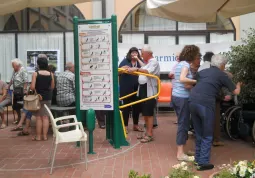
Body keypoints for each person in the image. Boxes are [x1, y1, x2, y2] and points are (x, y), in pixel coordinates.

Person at [189, 54, 241, 171]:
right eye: (225, 65)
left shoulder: (203, 72)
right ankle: (203, 162)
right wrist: (238, 85)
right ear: (222, 65)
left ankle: (197, 158)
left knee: (198, 132)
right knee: (207, 134)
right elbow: (236, 92)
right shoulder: (221, 74)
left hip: (192, 101)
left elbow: (193, 83)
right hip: (206, 104)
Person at [127, 45, 160, 143]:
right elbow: (142, 69)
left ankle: (149, 134)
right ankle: (147, 133)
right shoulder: (148, 62)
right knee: (145, 113)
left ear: (147, 53)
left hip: (149, 91)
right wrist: (129, 69)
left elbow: (146, 71)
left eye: (142, 53)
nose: (141, 55)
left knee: (148, 114)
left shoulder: (154, 62)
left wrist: (136, 69)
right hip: (143, 89)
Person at [171, 45, 199, 161]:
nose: (198, 57)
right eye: (197, 55)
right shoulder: (186, 65)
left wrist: (191, 84)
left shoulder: (179, 64)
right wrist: (197, 81)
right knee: (183, 124)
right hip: (182, 98)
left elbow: (184, 84)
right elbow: (183, 79)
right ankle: (180, 153)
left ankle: (182, 150)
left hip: (176, 96)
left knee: (183, 123)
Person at [119, 47, 144, 133]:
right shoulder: (125, 61)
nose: (134, 54)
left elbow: (146, 68)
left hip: (137, 88)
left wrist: (138, 60)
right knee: (125, 108)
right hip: (126, 88)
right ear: (129, 54)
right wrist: (122, 69)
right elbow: (117, 72)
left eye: (136, 53)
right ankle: (125, 126)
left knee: (136, 107)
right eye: (132, 53)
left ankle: (135, 125)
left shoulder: (139, 62)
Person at [30, 54, 54, 141]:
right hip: (48, 97)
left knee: (39, 117)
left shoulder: (35, 74)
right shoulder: (51, 74)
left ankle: (38, 136)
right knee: (46, 117)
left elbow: (32, 87)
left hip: (38, 97)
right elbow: (52, 86)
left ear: (38, 65)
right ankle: (45, 136)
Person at [8, 59, 28, 124]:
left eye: (13, 65)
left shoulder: (23, 70)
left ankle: (23, 119)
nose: (12, 67)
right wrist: (8, 86)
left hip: (21, 89)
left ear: (18, 65)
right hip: (16, 90)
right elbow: (12, 79)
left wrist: (25, 89)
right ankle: (19, 118)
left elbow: (26, 81)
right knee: (16, 106)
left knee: (22, 106)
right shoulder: (14, 71)